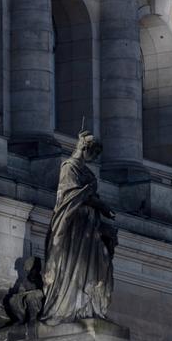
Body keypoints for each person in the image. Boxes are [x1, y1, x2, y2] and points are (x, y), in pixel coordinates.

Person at [40, 129, 117, 324]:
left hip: (89, 224)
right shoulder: (69, 167)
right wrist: (103, 206)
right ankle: (69, 305)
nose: (94, 158)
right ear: (84, 149)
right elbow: (73, 195)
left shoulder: (86, 171)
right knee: (73, 263)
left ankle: (86, 305)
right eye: (93, 154)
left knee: (99, 261)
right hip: (73, 223)